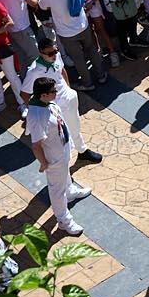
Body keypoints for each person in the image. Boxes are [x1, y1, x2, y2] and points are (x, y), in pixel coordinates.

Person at [24, 76, 90, 236]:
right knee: (56, 191)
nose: (56, 92)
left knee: (65, 177)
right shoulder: (37, 116)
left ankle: (71, 191)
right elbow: (36, 145)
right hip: (53, 158)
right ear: (43, 95)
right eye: (53, 91)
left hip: (62, 150)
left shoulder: (46, 103)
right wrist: (44, 163)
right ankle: (64, 221)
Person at [22, 38, 102, 166]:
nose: (54, 55)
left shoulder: (57, 56)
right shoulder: (34, 71)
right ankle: (66, 165)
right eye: (50, 53)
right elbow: (25, 94)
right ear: (41, 53)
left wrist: (68, 89)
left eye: (55, 51)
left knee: (75, 125)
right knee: (62, 138)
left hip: (69, 98)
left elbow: (62, 71)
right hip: (55, 108)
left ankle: (82, 150)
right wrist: (38, 109)